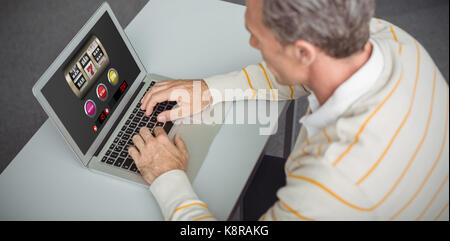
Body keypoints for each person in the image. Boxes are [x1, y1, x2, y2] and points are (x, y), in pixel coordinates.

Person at [128, 0, 449, 221]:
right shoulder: (394, 40)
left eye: (257, 36)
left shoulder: (336, 179)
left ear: (302, 52)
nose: (252, 44)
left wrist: (168, 179)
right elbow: (306, 73)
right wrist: (210, 90)